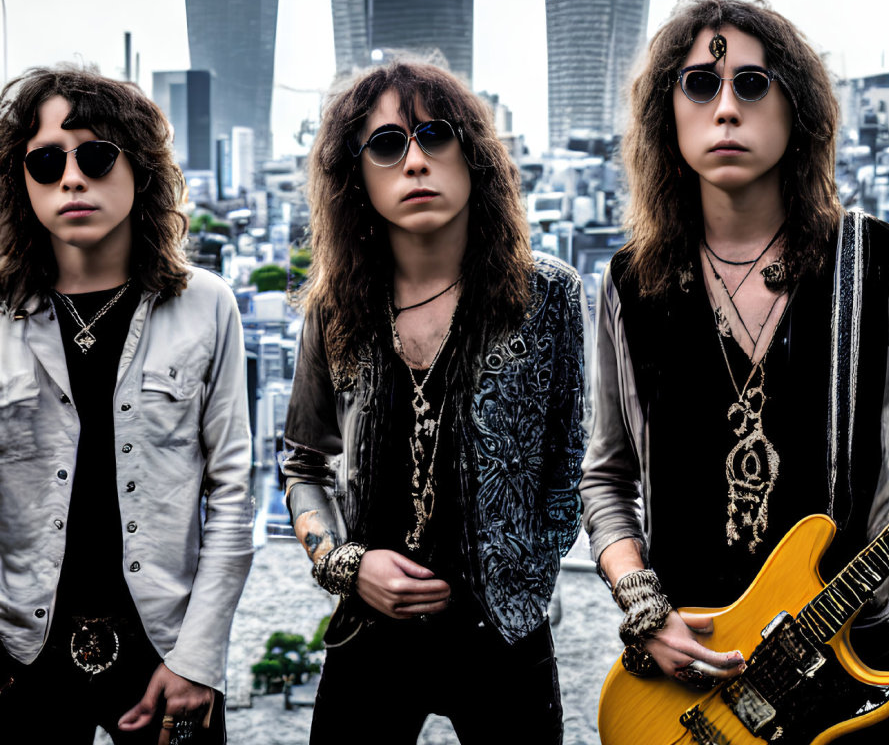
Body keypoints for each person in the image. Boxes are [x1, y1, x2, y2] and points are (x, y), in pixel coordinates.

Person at [580, 0, 889, 744]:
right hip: (689, 676)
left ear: (797, 107)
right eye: (700, 85)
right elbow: (607, 478)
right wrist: (647, 610)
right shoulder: (630, 284)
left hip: (852, 659)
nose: (726, 108)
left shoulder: (874, 261)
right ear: (664, 116)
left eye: (752, 82)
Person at [281, 60, 588, 745]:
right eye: (387, 144)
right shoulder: (336, 310)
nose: (414, 159)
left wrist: (517, 585)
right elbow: (302, 463)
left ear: (472, 154)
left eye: (435, 134)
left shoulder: (550, 299)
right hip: (370, 631)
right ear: (356, 175)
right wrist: (347, 566)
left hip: (502, 636)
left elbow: (570, 469)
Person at [0, 67, 254, 744]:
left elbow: (232, 492)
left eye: (96, 155)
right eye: (46, 162)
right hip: (18, 658)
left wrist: (199, 661)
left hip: (165, 648)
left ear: (139, 168)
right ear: (21, 181)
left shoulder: (207, 306)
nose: (71, 179)